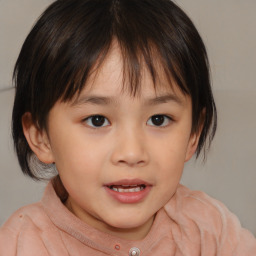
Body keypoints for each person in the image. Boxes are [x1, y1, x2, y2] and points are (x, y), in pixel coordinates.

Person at [0, 0, 255, 255]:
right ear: (41, 136)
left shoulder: (211, 231)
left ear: (193, 133)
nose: (132, 153)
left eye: (158, 119)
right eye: (97, 120)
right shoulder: (20, 245)